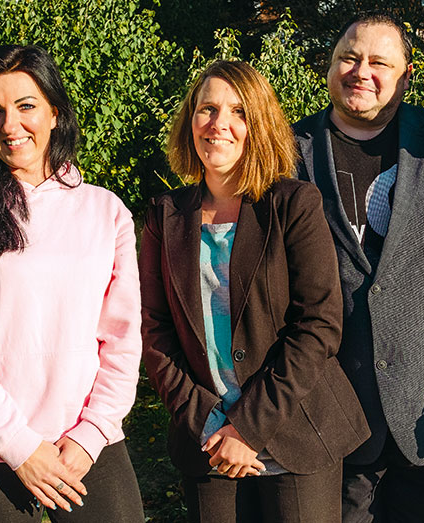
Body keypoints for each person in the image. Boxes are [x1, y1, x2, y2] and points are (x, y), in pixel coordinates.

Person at [0, 45, 144, 522]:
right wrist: (20, 447)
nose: (10, 126)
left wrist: (91, 434)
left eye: (25, 106)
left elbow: (122, 341)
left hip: (84, 442)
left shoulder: (105, 212)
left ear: (55, 113)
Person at [139, 59, 370, 523]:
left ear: (257, 125)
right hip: (208, 442)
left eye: (238, 112)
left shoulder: (294, 204)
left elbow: (318, 326)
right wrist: (213, 424)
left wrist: (245, 428)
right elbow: (155, 332)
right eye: (207, 109)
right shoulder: (164, 217)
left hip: (297, 431)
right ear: (191, 120)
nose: (218, 124)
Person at [292, 11, 424, 522]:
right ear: (330, 66)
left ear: (406, 74)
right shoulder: (285, 151)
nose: (361, 71)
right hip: (327, 402)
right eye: (349, 57)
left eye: (379, 62)